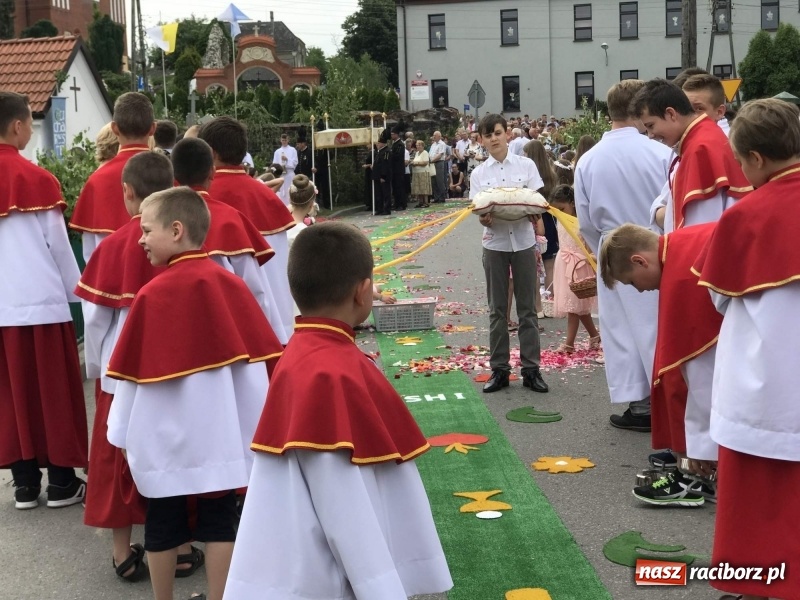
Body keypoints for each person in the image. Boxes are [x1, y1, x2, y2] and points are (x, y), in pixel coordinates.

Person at [223, 221, 453, 599]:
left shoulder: (301, 354)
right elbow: (344, 505)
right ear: (363, 293)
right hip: (325, 579)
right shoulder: (333, 373)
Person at [106, 187, 282, 600]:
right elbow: (254, 372)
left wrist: (121, 430)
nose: (141, 239)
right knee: (220, 519)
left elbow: (131, 376)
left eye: (147, 230)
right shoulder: (231, 287)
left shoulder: (153, 293)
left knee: (163, 520)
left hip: (163, 434)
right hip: (221, 430)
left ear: (177, 230)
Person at [693, 99, 800, 600]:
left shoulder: (745, 216)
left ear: (754, 159)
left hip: (768, 389)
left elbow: (718, 298)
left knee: (760, 503)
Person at [76, 151, 199, 580]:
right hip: (175, 369)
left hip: (119, 371)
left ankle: (121, 551)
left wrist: (98, 367)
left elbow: (94, 320)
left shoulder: (111, 247)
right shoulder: (182, 241)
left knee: (114, 458)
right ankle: (181, 547)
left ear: (127, 193)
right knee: (172, 449)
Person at [0, 91, 87, 510]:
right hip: (40, 301)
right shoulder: (37, 179)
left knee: (9, 395)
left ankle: (23, 484)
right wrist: (82, 296)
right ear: (18, 126)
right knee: (51, 392)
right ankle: (62, 483)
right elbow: (58, 247)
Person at [600, 222, 722, 507]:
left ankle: (709, 474)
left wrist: (694, 448)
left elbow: (698, 373)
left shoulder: (680, 280)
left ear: (639, 260)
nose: (640, 291)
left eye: (631, 282)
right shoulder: (682, 240)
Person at [575, 79, 673, 432]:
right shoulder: (661, 153)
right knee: (659, 325)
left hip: (613, 248)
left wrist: (600, 248)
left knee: (621, 331)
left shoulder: (588, 160)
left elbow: (584, 218)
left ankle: (640, 403)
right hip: (658, 246)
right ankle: (666, 398)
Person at [171, 138, 288, 342]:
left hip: (177, 334)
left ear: (174, 176)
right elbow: (255, 291)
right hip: (231, 334)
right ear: (212, 172)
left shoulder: (158, 221)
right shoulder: (230, 219)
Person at [470, 113, 548, 395]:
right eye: (487, 135)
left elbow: (538, 201)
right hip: (495, 245)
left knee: (527, 309)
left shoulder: (526, 165)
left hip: (524, 243)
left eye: (498, 133)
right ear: (481, 140)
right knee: (497, 310)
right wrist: (485, 219)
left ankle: (531, 370)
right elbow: (478, 210)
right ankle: (499, 370)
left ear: (507, 135)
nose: (493, 138)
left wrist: (533, 215)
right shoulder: (479, 174)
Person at [200, 116, 296, 344]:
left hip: (232, 331)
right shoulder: (266, 196)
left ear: (211, 153)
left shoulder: (204, 201)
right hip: (279, 324)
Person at [631, 79, 751, 232]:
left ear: (671, 114)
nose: (650, 135)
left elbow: (699, 229)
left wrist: (663, 214)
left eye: (650, 126)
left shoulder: (700, 149)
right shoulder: (701, 138)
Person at [70, 92, 155, 262]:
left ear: (114, 128)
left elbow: (90, 251)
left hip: (113, 277)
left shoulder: (97, 179)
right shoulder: (169, 173)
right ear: (153, 128)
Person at [549, 185, 600, 353]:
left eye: (562, 208)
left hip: (579, 264)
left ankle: (569, 344)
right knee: (579, 306)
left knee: (574, 306)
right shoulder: (561, 218)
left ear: (572, 203)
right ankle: (594, 335)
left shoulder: (582, 222)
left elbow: (590, 244)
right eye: (557, 210)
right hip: (564, 262)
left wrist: (592, 257)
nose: (560, 213)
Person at [524, 139, 560, 313]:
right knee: (550, 262)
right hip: (550, 218)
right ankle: (551, 301)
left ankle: (539, 305)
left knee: (534, 264)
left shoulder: (528, 174)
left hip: (535, 218)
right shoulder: (551, 174)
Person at [272, 133, 298, 204]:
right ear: (280, 140)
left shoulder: (292, 150)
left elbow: (295, 162)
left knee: (290, 190)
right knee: (281, 191)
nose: (284, 142)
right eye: (283, 140)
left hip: (289, 174)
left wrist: (287, 159)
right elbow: (274, 164)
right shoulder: (277, 152)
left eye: (285, 140)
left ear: (288, 140)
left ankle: (291, 205)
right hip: (281, 174)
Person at [372, 130, 393, 215]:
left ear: (383, 144)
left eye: (379, 143)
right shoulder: (379, 152)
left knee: (386, 193)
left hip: (383, 177)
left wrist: (383, 176)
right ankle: (380, 209)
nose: (377, 145)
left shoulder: (386, 152)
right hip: (377, 176)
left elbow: (385, 165)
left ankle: (387, 209)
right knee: (379, 194)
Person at [389, 124, 408, 211]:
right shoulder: (394, 144)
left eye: (393, 134)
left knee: (400, 187)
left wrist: (390, 154)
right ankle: (397, 203)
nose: (391, 135)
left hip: (399, 169)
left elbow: (397, 156)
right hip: (394, 169)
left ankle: (401, 204)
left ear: (396, 134)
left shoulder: (400, 144)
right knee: (395, 187)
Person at [411, 139, 432, 208]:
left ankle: (426, 202)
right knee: (418, 188)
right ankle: (420, 202)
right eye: (417, 145)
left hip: (423, 172)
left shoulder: (425, 153)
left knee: (424, 188)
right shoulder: (417, 153)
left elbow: (425, 162)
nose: (418, 146)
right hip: (417, 172)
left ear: (423, 146)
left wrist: (416, 163)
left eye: (419, 145)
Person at [429, 130, 448, 203]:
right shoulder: (433, 144)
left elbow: (440, 155)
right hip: (432, 163)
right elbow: (430, 153)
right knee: (433, 181)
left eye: (435, 135)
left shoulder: (442, 144)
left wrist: (432, 160)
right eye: (433, 135)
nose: (433, 136)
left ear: (439, 136)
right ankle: (436, 197)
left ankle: (442, 197)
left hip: (439, 162)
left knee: (440, 180)